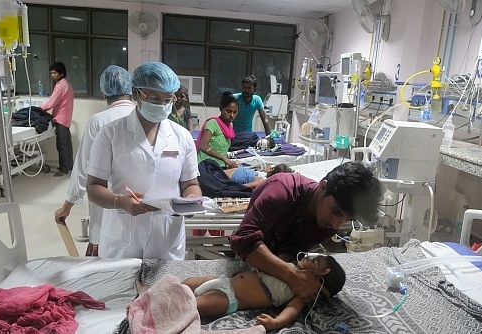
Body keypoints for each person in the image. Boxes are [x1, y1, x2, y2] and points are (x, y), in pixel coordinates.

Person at [86, 62, 202, 259]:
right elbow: (93, 187)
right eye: (154, 98)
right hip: (122, 236)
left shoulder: (182, 137)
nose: (161, 105)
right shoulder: (110, 134)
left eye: (167, 99)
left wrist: (191, 200)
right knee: (122, 287)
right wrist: (120, 201)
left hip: (166, 235)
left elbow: (190, 183)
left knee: (165, 288)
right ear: (135, 93)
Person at [229, 162, 382, 303]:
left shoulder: (327, 224)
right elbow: (243, 239)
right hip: (250, 253)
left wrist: (295, 275)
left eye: (346, 219)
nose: (336, 225)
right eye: (335, 211)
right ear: (322, 187)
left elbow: (293, 248)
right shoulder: (281, 191)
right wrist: (291, 275)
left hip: (271, 263)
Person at [135, 253, 345, 331]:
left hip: (231, 298)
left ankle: (151, 311)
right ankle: (151, 294)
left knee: (194, 304)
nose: (307, 257)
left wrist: (276, 323)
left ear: (321, 275)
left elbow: (291, 310)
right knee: (187, 283)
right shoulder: (289, 266)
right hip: (225, 281)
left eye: (314, 261)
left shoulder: (300, 294)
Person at [54, 65, 135, 256]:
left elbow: (84, 168)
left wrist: (68, 206)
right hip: (139, 205)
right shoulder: (143, 120)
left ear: (104, 92)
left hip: (106, 203)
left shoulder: (99, 121)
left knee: (104, 267)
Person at [41, 62, 74, 177]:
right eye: (51, 73)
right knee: (67, 144)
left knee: (61, 145)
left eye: (54, 73)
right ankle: (69, 165)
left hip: (60, 119)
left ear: (62, 73)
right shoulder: (67, 85)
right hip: (66, 118)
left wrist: (37, 109)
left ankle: (63, 169)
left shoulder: (60, 85)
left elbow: (51, 102)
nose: (52, 75)